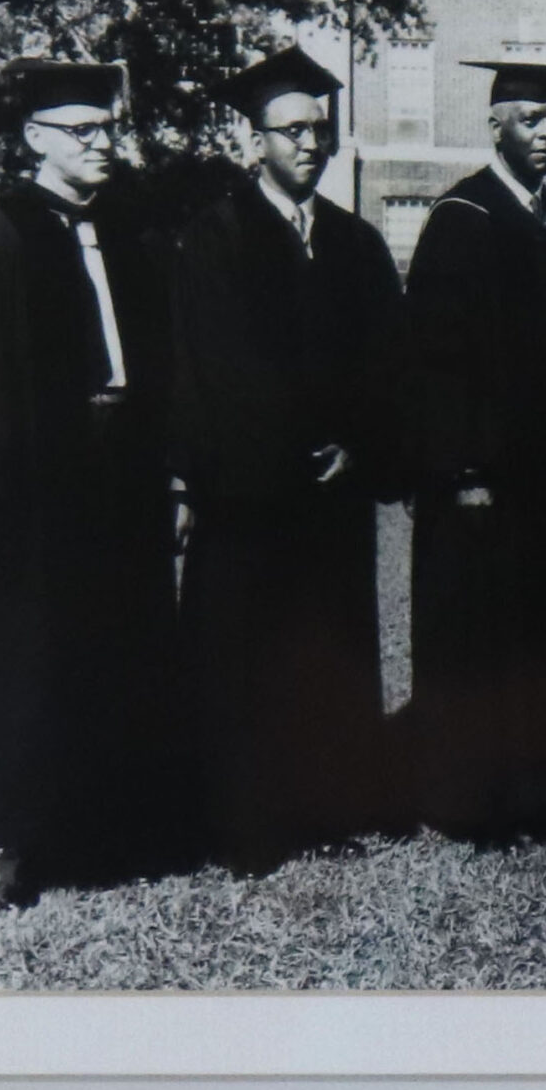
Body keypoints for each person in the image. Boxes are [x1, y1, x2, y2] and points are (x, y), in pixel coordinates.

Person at [0, 57, 184, 903]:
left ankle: (111, 832)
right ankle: (22, 842)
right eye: (83, 132)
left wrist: (175, 473)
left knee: (120, 643)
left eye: (108, 130)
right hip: (33, 480)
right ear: (36, 138)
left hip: (125, 468)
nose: (102, 144)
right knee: (30, 657)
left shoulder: (135, 233)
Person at [169, 44, 405, 871]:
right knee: (246, 653)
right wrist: (277, 453)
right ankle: (246, 824)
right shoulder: (214, 238)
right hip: (250, 493)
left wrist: (358, 444)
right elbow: (212, 368)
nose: (310, 143)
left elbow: (387, 365)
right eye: (291, 130)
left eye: (319, 129)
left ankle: (330, 809)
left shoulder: (357, 243)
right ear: (254, 142)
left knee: (328, 649)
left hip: (334, 492)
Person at [404, 59, 546, 841]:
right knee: (480, 641)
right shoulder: (462, 218)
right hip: (484, 483)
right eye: (529, 119)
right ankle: (471, 802)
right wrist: (462, 470)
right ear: (494, 127)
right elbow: (434, 361)